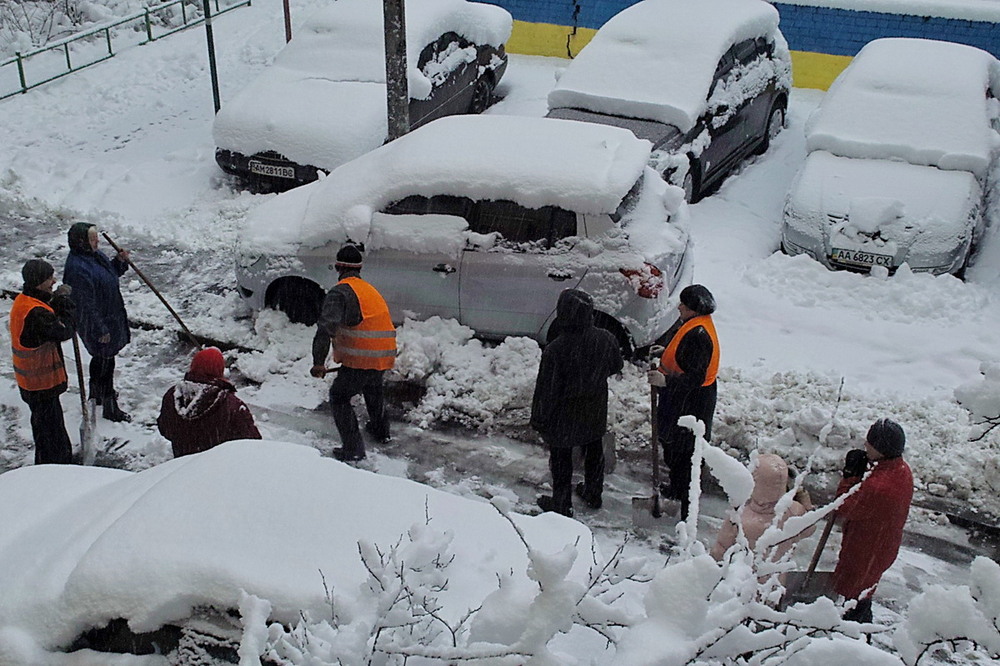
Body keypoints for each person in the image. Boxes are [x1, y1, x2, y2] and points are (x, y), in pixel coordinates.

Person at [531, 289, 624, 518]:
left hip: (564, 415)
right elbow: (616, 365)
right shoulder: (606, 338)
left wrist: (539, 419)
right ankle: (593, 493)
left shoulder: (556, 349)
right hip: (594, 409)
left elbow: (546, 390)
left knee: (561, 460)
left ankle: (562, 504)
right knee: (594, 451)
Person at [310, 244, 396, 462]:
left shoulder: (340, 293)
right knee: (373, 388)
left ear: (337, 267)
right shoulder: (368, 290)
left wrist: (318, 362)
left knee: (339, 397)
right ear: (359, 268)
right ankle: (381, 431)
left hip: (362, 357)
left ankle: (353, 449)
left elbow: (325, 328)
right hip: (384, 354)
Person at [647, 284, 720, 520]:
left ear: (693, 309)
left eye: (683, 305)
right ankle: (677, 488)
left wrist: (665, 381)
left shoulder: (698, 336)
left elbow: (695, 377)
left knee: (686, 453)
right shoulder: (695, 324)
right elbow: (686, 358)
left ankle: (688, 512)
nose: (679, 307)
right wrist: (666, 352)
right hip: (683, 399)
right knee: (674, 448)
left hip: (691, 403)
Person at [832, 418, 913, 624]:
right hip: (882, 545)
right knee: (863, 592)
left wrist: (850, 477)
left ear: (882, 449)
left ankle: (854, 635)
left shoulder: (879, 487)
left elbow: (845, 505)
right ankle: (857, 628)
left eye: (871, 443)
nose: (866, 445)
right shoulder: (901, 470)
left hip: (865, 550)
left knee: (856, 598)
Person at [63, 222, 132, 422]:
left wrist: (119, 262)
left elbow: (108, 276)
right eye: (92, 239)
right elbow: (84, 304)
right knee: (106, 362)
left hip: (108, 316)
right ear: (81, 242)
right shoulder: (77, 269)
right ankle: (110, 407)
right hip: (97, 321)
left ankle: (97, 394)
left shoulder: (94, 256)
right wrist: (100, 329)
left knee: (103, 359)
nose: (97, 242)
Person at [10, 259, 77, 464]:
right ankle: (56, 469)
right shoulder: (35, 313)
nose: (53, 281)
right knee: (53, 436)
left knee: (44, 430)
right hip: (41, 384)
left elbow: (47, 313)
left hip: (31, 384)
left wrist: (55, 300)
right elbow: (64, 330)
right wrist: (65, 303)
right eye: (49, 278)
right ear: (38, 282)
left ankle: (47, 464)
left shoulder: (26, 300)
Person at [157, 347, 262, 457]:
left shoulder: (173, 395)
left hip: (183, 462)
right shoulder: (232, 405)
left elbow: (165, 429)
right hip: (220, 464)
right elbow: (253, 444)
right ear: (220, 370)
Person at [711, 453, 814, 564]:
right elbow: (809, 530)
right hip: (777, 572)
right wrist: (806, 506)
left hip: (742, 573)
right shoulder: (794, 510)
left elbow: (720, 550)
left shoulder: (740, 516)